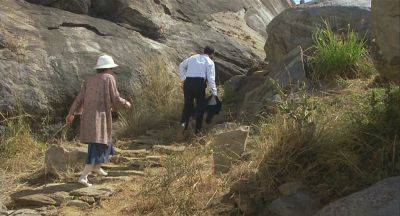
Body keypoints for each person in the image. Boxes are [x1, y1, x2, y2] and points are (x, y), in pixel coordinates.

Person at [65, 54, 131, 187]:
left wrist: (71, 113)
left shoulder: (89, 80)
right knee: (98, 145)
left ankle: (96, 166)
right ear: (109, 68)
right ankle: (83, 176)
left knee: (105, 143)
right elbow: (115, 97)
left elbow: (79, 98)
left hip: (88, 117)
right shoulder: (109, 78)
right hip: (100, 118)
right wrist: (126, 104)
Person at [179, 46, 218, 134]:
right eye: (213, 54)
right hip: (199, 83)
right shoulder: (210, 62)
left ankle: (183, 127)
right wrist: (214, 93)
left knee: (187, 106)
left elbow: (181, 65)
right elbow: (211, 79)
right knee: (200, 106)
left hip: (188, 82)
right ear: (211, 54)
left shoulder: (193, 57)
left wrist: (183, 79)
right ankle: (197, 131)